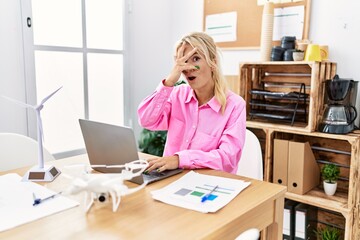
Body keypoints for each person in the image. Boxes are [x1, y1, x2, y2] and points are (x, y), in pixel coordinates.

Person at [137, 32, 246, 174]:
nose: (188, 68)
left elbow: (227, 159)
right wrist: (169, 81)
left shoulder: (235, 105)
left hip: (211, 185)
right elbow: (146, 120)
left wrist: (180, 159)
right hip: (171, 180)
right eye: (183, 61)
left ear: (213, 62)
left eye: (195, 59)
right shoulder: (177, 94)